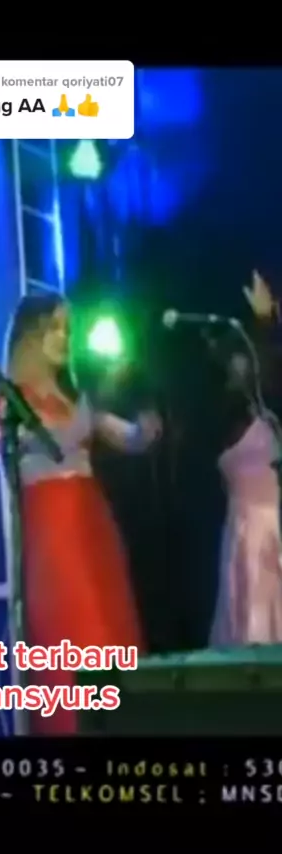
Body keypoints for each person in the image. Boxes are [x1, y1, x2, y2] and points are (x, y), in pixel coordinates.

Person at [0, 294, 162, 735]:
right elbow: (7, 463)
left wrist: (143, 409)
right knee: (73, 635)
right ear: (30, 335)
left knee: (109, 633)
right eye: (54, 328)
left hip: (93, 528)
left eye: (68, 329)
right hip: (52, 533)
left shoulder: (77, 398)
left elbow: (132, 438)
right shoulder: (11, 401)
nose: (64, 338)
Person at [209, 271, 282, 646]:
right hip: (251, 531)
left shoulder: (267, 403)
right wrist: (264, 324)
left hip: (272, 524)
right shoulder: (227, 412)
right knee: (254, 616)